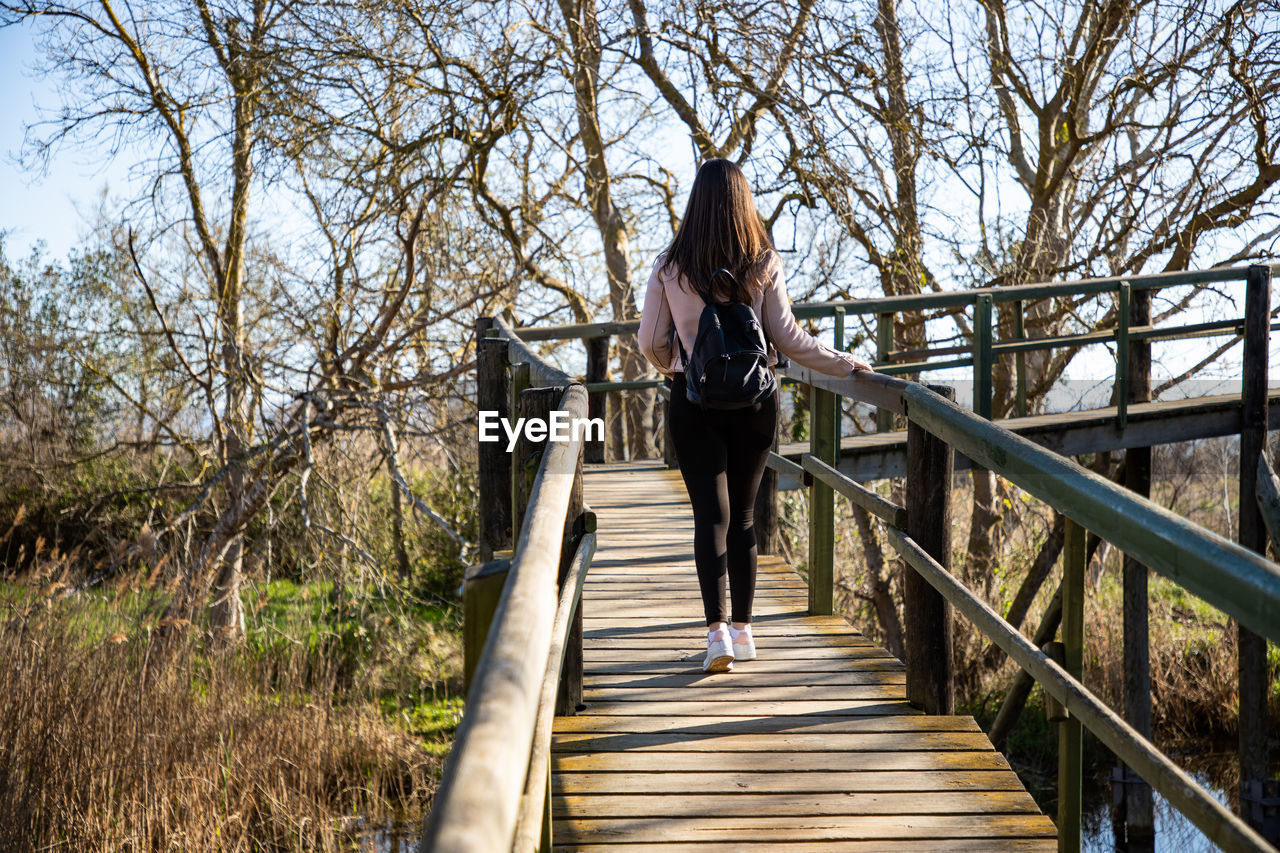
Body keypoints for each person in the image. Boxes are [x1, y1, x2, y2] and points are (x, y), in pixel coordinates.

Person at [637, 158, 872, 673]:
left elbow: (650, 342)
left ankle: (716, 634)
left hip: (693, 401)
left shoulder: (670, 266)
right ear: (744, 203)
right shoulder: (762, 262)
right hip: (755, 401)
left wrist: (681, 366)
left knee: (710, 518)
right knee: (743, 517)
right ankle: (745, 631)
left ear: (695, 204)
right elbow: (788, 339)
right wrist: (845, 363)